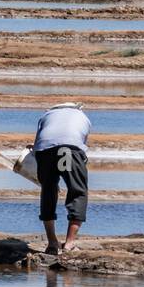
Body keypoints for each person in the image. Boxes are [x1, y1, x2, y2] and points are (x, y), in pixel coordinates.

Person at [32, 101, 91, 256]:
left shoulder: (46, 116)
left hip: (45, 150)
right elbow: (82, 146)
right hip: (71, 148)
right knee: (78, 191)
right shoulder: (82, 116)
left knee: (48, 190)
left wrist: (47, 175)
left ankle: (52, 242)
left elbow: (36, 144)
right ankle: (69, 243)